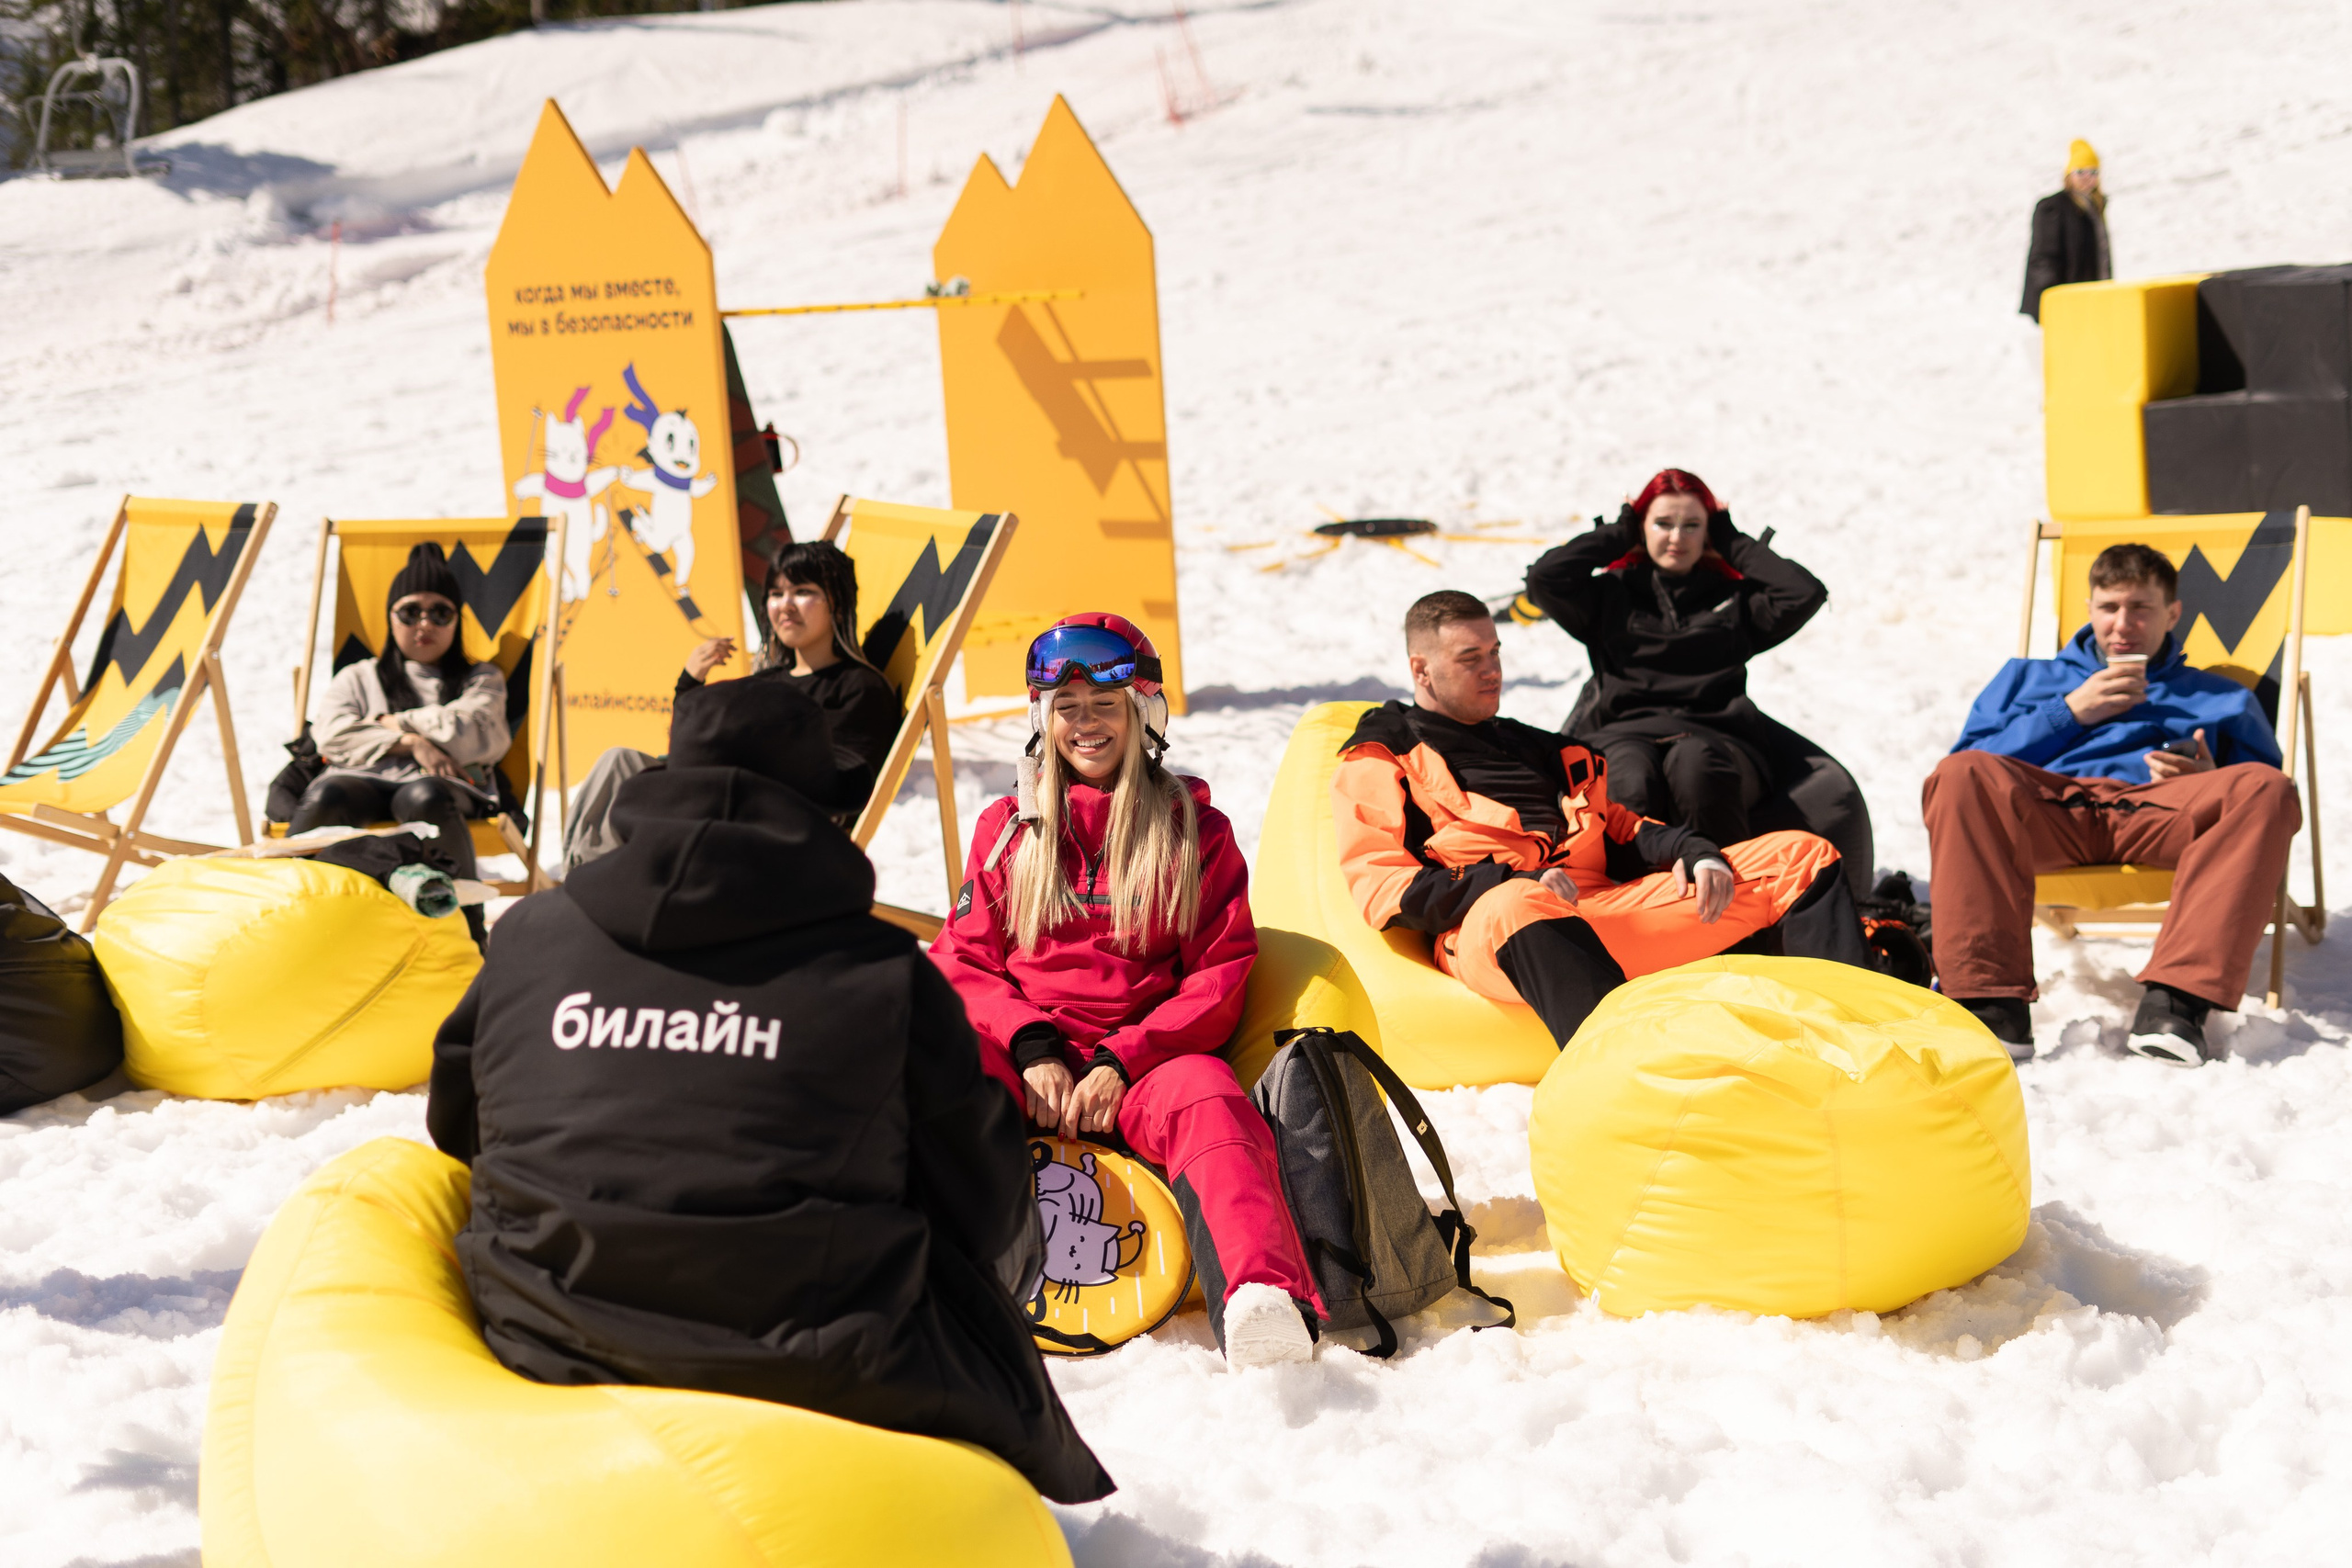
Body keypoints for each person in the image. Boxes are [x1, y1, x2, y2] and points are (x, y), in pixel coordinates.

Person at [424, 675, 1112, 1504]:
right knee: (1008, 1202)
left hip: (546, 1337)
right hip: (809, 1368)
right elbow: (985, 1203)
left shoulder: (533, 935)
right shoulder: (882, 976)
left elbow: (456, 1120)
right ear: (818, 815)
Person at [928, 614, 1327, 1370]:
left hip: (1143, 1068)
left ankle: (1260, 1298)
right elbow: (962, 960)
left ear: (1142, 712)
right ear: (1043, 719)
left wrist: (1121, 1060)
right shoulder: (1009, 828)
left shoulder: (1195, 831)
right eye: (1067, 707)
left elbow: (1218, 975)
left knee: (1209, 1096)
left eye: (1104, 705)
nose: (1085, 724)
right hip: (1030, 1062)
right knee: (934, 1069)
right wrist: (1032, 1045)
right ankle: (912, 1278)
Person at [1335, 591, 1872, 1047]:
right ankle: (1624, 1071)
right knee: (1517, 902)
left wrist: (1693, 851)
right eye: (1469, 657)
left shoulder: (1539, 748)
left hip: (1598, 913)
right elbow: (1381, 887)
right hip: (1493, 929)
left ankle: (1859, 1035)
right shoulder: (1384, 756)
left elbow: (1621, 828)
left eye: (1495, 651)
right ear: (1421, 670)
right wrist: (1507, 880)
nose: (1492, 670)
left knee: (1800, 855)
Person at [1924, 543, 2299, 1067]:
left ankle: (2177, 1004)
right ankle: (1989, 1005)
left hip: (2159, 814)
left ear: (2172, 613)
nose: (2123, 624)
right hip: (2052, 812)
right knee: (1961, 775)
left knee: (2266, 789)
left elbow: (2261, 792)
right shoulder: (2027, 679)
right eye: (2109, 607)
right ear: (2090, 609)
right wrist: (2068, 713)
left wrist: (2207, 777)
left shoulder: (2222, 696)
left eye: (2141, 608)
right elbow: (1967, 769)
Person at [1522, 468, 1874, 899]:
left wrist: (1730, 538)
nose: (1677, 537)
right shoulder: (1609, 594)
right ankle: (1625, 905)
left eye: (1692, 525)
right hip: (1622, 733)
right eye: (1662, 523)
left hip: (1718, 737)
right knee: (1629, 777)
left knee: (1696, 768)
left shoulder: (1734, 599)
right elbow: (1543, 579)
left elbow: (1804, 593)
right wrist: (1618, 533)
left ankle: (1731, 907)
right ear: (1642, 527)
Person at [561, 541, 901, 871]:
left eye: (802, 592)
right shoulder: (767, 680)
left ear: (837, 603)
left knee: (639, 783)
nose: (785, 605)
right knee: (620, 762)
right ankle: (583, 877)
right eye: (776, 594)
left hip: (765, 820)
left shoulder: (859, 687)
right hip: (716, 797)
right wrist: (690, 683)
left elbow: (844, 784)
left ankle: (593, 885)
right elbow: (690, 747)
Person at [292, 542, 508, 882]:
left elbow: (470, 732)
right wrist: (412, 743)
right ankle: (290, 899)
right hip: (359, 783)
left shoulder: (481, 678)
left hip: (442, 790)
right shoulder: (358, 676)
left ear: (457, 622)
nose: (425, 624)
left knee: (424, 795)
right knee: (328, 795)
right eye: (410, 612)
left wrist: (392, 722)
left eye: (440, 613)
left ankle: (465, 912)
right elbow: (331, 735)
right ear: (390, 618)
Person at [2021, 140, 2110, 323]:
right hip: (2063, 302)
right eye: (2080, 171)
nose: (2087, 177)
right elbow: (2043, 258)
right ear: (2069, 174)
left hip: (2090, 298)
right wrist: (2053, 299)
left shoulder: (2095, 207)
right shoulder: (2053, 207)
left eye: (2093, 172)